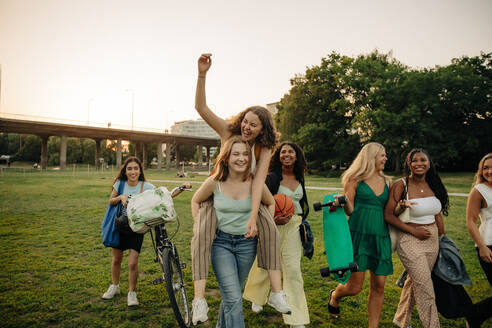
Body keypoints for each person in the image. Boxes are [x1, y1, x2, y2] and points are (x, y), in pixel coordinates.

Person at [192, 53, 289, 324]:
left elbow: (259, 182)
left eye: (253, 124)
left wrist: (253, 216)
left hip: (248, 198)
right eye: (245, 121)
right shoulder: (228, 133)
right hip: (220, 194)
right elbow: (201, 107)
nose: (247, 126)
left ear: (262, 129)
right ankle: (198, 300)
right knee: (231, 294)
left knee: (231, 294)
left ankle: (276, 291)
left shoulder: (264, 148)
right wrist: (202, 74)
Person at [191, 136, 275, 328]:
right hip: (220, 244)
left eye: (245, 154)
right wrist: (201, 227)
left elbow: (270, 203)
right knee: (234, 297)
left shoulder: (255, 182)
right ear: (226, 157)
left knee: (232, 294)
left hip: (247, 245)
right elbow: (195, 200)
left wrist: (260, 228)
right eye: (236, 154)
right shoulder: (214, 182)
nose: (241, 158)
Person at [243, 142, 310, 328]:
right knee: (264, 264)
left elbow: (302, 203)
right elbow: (259, 201)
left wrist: (302, 220)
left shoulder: (300, 177)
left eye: (291, 151)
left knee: (293, 270)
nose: (287, 154)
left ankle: (296, 319)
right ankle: (257, 297)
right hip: (273, 224)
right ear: (278, 156)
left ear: (297, 156)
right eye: (283, 151)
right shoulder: (272, 178)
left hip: (294, 226)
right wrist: (273, 219)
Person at [328, 142, 392, 328]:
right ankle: (335, 295)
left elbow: (390, 211)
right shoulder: (355, 179)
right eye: (382, 155)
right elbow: (350, 209)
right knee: (354, 288)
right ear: (371, 157)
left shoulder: (387, 181)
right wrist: (342, 202)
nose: (385, 158)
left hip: (380, 237)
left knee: (379, 285)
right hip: (359, 236)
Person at [384, 149, 447, 328]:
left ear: (429, 163)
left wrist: (443, 237)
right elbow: (389, 215)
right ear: (409, 164)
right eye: (415, 160)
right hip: (409, 238)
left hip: (433, 239)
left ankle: (401, 319)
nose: (419, 163)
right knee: (425, 287)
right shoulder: (401, 185)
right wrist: (414, 231)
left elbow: (437, 213)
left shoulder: (434, 183)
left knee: (415, 281)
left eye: (423, 160)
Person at [101, 157, 155, 306]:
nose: (133, 171)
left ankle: (132, 293)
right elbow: (111, 201)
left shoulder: (147, 186)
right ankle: (115, 286)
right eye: (129, 168)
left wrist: (181, 189)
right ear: (125, 171)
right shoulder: (120, 184)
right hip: (121, 226)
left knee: (132, 263)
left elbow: (161, 197)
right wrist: (120, 197)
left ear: (140, 171)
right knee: (117, 259)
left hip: (137, 228)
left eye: (135, 168)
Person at [465, 153, 492, 328]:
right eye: (485, 167)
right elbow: (470, 221)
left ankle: (475, 316)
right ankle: (474, 314)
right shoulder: (479, 190)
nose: (489, 171)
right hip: (489, 244)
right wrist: (482, 247)